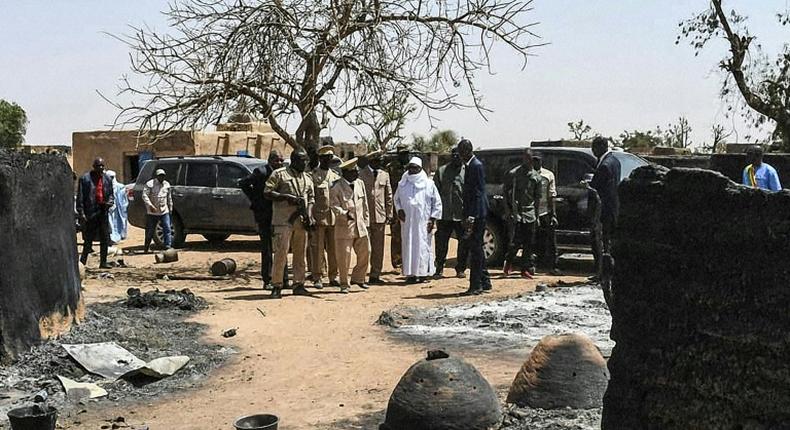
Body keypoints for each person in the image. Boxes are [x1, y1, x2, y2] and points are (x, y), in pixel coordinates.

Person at [264, 149, 315, 298]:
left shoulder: (307, 178)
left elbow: (311, 198)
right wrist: (286, 197)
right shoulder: (280, 174)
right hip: (283, 220)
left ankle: (299, 284)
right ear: (293, 160)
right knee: (281, 253)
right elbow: (267, 192)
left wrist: (309, 215)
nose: (305, 163)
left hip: (301, 221)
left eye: (306, 160)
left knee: (300, 254)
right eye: (302, 161)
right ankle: (277, 285)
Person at [240, 150, 286, 289]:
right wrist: (256, 199)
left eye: (281, 161)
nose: (279, 163)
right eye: (277, 160)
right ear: (270, 160)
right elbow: (243, 183)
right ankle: (267, 279)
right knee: (266, 247)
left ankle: (283, 278)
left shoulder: (283, 174)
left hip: (279, 214)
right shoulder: (261, 172)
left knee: (281, 246)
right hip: (264, 214)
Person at [394, 157, 442, 284]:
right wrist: (399, 210)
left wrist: (432, 219)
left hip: (423, 222)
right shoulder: (403, 183)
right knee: (408, 246)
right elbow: (396, 199)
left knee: (422, 247)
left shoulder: (429, 184)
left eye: (415, 168)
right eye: (410, 168)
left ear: (420, 169)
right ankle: (410, 274)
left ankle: (422, 274)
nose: (412, 170)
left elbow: (437, 203)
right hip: (408, 222)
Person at [330, 158, 371, 293]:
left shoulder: (360, 183)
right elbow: (333, 205)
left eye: (357, 171)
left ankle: (358, 278)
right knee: (344, 256)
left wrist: (366, 222)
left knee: (366, 251)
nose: (357, 174)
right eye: (354, 171)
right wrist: (343, 214)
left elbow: (364, 205)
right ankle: (344, 283)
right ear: (345, 172)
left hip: (360, 226)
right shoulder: (336, 186)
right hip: (344, 227)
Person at [458, 139, 492, 296]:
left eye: (461, 152)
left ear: (466, 151)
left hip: (477, 213)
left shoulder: (475, 165)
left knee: (476, 249)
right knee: (477, 247)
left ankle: (475, 285)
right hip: (475, 211)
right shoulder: (471, 165)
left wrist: (471, 215)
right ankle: (485, 281)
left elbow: (478, 192)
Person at [503, 149, 541, 278]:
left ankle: (524, 268)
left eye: (529, 158)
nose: (527, 161)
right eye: (525, 158)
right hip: (517, 212)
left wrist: (537, 216)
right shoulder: (514, 174)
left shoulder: (536, 177)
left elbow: (537, 198)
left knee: (529, 243)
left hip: (530, 213)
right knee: (516, 241)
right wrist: (508, 210)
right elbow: (506, 192)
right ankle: (508, 261)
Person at [432, 147, 469, 279]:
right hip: (444, 214)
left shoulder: (467, 171)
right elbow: (434, 193)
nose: (456, 157)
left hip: (461, 215)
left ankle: (460, 268)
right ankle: (439, 268)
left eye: (458, 155)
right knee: (441, 243)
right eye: (453, 155)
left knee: (464, 242)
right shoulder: (441, 171)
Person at [308, 145, 341, 289]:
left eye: (330, 158)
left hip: (333, 218)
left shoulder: (335, 176)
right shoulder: (313, 175)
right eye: (325, 158)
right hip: (318, 218)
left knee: (334, 249)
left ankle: (334, 276)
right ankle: (317, 276)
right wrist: (310, 216)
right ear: (320, 159)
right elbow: (310, 197)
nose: (328, 160)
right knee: (317, 249)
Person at [359, 149, 393, 284]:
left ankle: (375, 275)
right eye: (378, 161)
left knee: (378, 248)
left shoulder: (384, 175)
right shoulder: (361, 174)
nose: (381, 163)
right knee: (365, 248)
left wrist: (389, 213)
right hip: (365, 217)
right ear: (372, 161)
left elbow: (388, 195)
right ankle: (361, 275)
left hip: (380, 216)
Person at [76, 157, 114, 268]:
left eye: (102, 166)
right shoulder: (85, 179)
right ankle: (82, 262)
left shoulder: (107, 179)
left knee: (105, 238)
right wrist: (81, 213)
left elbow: (111, 194)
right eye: (98, 166)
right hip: (90, 212)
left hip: (103, 211)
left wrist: (109, 203)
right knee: (88, 239)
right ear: (94, 167)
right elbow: (80, 197)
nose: (101, 168)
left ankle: (103, 262)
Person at [590, 136, 622, 258]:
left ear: (601, 147)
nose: (593, 151)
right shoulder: (615, 161)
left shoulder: (605, 165)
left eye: (594, 148)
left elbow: (597, 186)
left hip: (603, 209)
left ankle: (601, 272)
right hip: (612, 207)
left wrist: (587, 185)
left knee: (600, 242)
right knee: (608, 242)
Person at [532, 155, 561, 275]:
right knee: (534, 240)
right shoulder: (527, 176)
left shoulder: (548, 175)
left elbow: (552, 195)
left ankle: (553, 266)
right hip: (531, 212)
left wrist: (553, 214)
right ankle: (533, 265)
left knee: (550, 241)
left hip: (545, 211)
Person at [387, 144, 411, 268]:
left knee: (409, 233)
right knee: (396, 234)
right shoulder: (391, 168)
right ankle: (397, 261)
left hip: (409, 204)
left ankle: (408, 260)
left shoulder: (412, 168)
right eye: (402, 153)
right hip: (396, 204)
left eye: (406, 153)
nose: (405, 155)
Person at [142, 168, 174, 252]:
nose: (161, 178)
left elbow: (169, 197)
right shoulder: (150, 184)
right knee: (150, 230)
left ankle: (167, 246)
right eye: (160, 176)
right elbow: (144, 196)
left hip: (164, 210)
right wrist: (150, 205)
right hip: (152, 212)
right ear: (156, 176)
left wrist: (170, 208)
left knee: (167, 228)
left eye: (163, 176)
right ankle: (146, 247)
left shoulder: (167, 184)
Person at [106, 170, 129, 244]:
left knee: (119, 221)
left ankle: (120, 235)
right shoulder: (105, 186)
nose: (111, 179)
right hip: (109, 208)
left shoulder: (120, 186)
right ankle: (112, 238)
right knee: (110, 223)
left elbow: (124, 199)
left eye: (112, 177)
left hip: (118, 208)